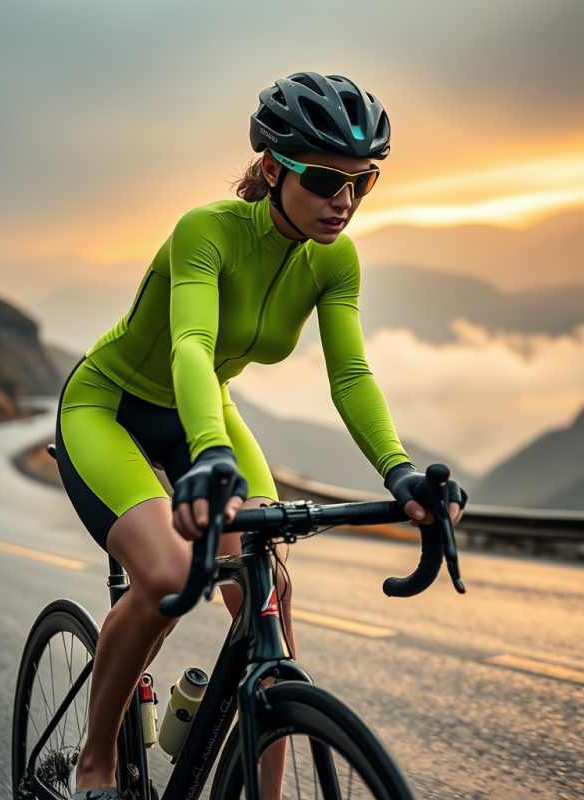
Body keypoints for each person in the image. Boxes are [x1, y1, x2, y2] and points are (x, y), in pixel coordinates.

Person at [56, 71, 467, 798]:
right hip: (110, 405)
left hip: (203, 407)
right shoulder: (206, 230)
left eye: (362, 183)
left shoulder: (334, 259)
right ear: (274, 168)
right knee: (164, 576)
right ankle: (95, 765)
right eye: (323, 180)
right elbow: (189, 344)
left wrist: (398, 472)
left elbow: (349, 376)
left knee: (268, 587)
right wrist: (210, 453)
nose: (343, 203)